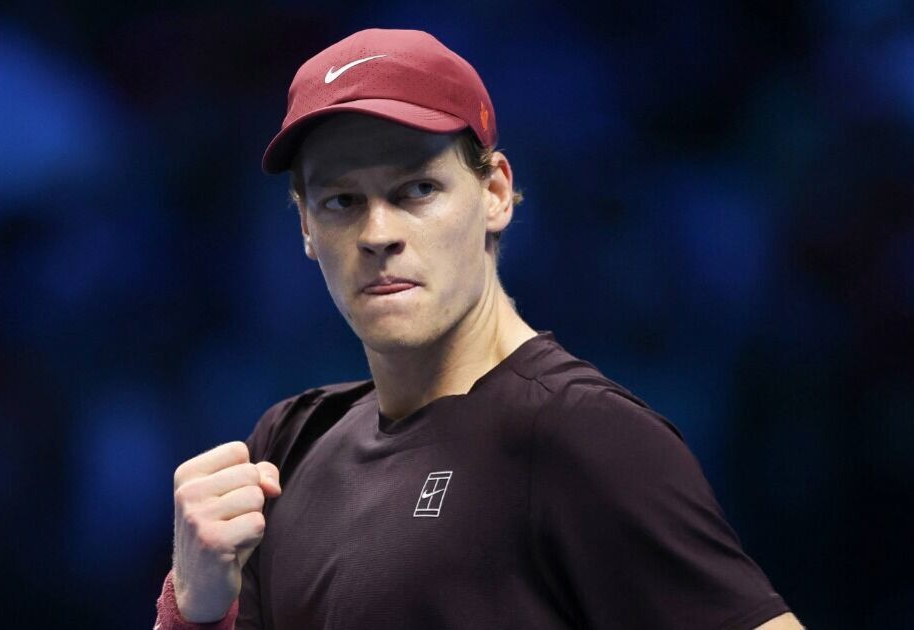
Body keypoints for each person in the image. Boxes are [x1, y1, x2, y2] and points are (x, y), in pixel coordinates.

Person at [154, 28, 803, 629]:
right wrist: (194, 610)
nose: (378, 234)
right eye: (342, 201)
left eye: (416, 189)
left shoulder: (585, 437)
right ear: (305, 226)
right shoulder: (288, 444)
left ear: (494, 193)